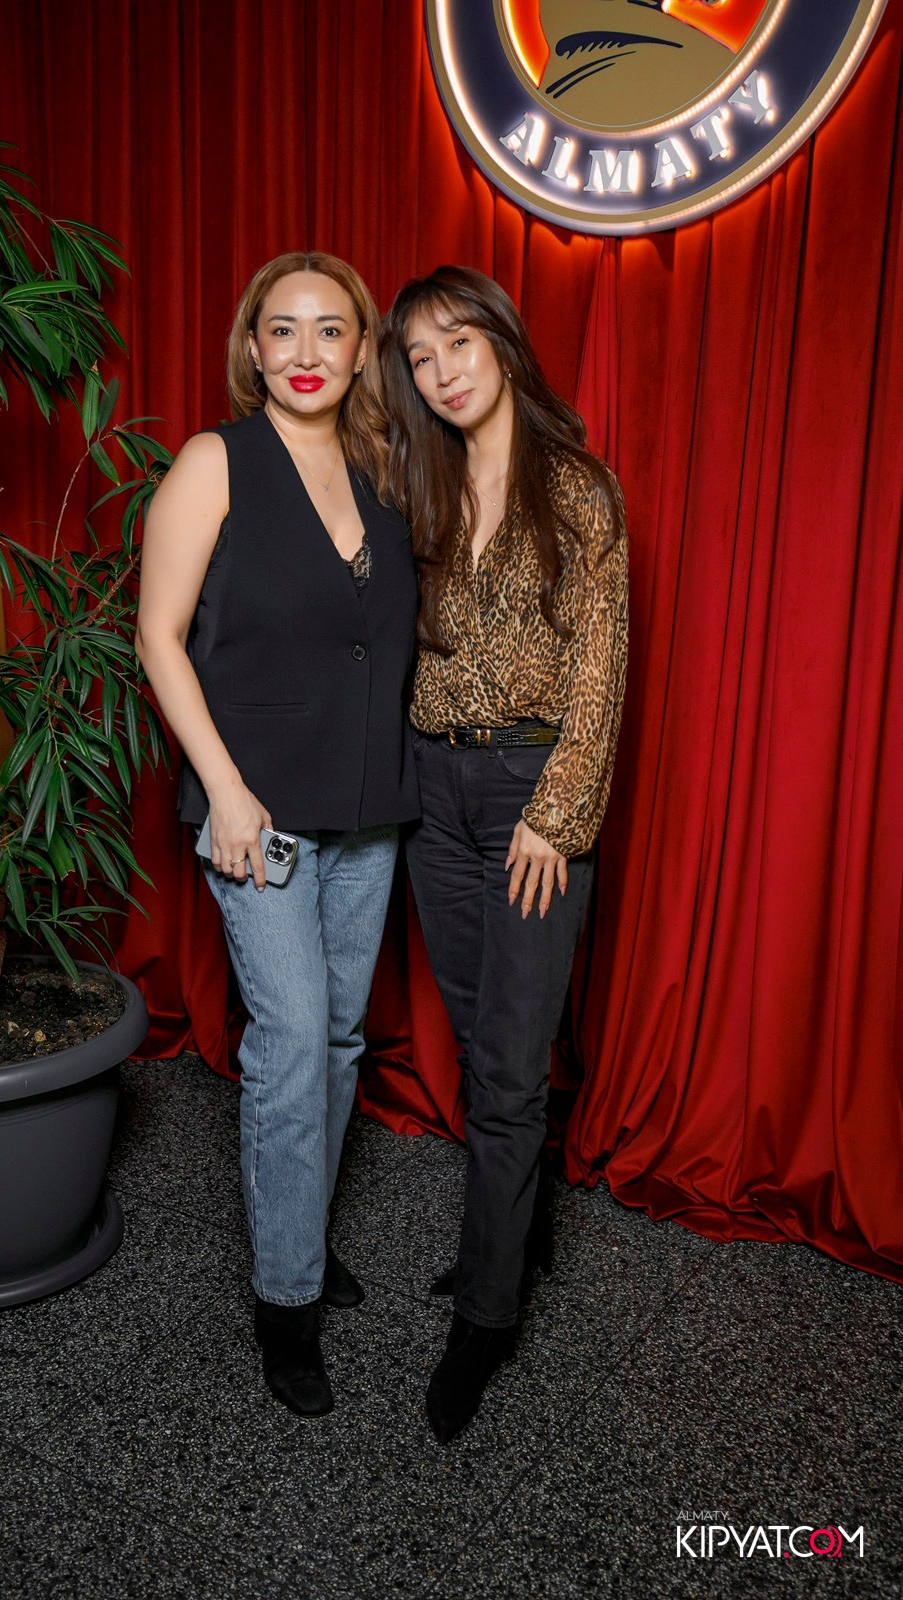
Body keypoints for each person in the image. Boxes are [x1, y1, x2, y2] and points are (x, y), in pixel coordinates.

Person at [136, 252, 419, 1418]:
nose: (306, 352)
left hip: (368, 804)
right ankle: (284, 1301)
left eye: (330, 330)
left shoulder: (381, 467)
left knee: (339, 1037)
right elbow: (157, 636)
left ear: (359, 351)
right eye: (283, 329)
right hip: (256, 810)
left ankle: (298, 1229)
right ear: (252, 348)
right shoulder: (215, 461)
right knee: (293, 1039)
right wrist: (224, 790)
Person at [382, 266, 628, 1443]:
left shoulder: (574, 486)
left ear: (501, 343)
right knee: (483, 1035)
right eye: (418, 358)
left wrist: (556, 813)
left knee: (510, 1068)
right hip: (433, 790)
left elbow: (600, 665)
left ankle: (484, 1315)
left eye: (457, 344)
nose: (441, 372)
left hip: (532, 793)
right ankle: (517, 1229)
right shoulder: (419, 485)